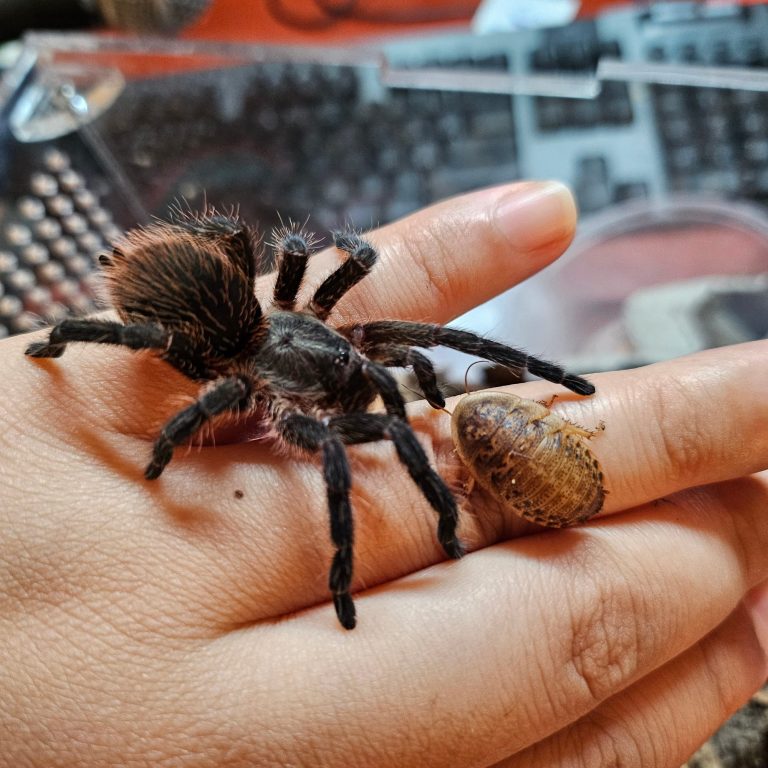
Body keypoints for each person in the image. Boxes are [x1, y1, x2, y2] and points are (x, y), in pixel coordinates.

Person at [1, 180, 766, 767]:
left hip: (254, 317)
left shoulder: (343, 333)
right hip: (218, 328)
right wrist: (165, 448)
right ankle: (356, 560)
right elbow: (252, 336)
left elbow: (359, 275)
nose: (363, 360)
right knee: (338, 450)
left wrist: (539, 377)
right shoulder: (230, 375)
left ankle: (548, 377)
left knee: (429, 343)